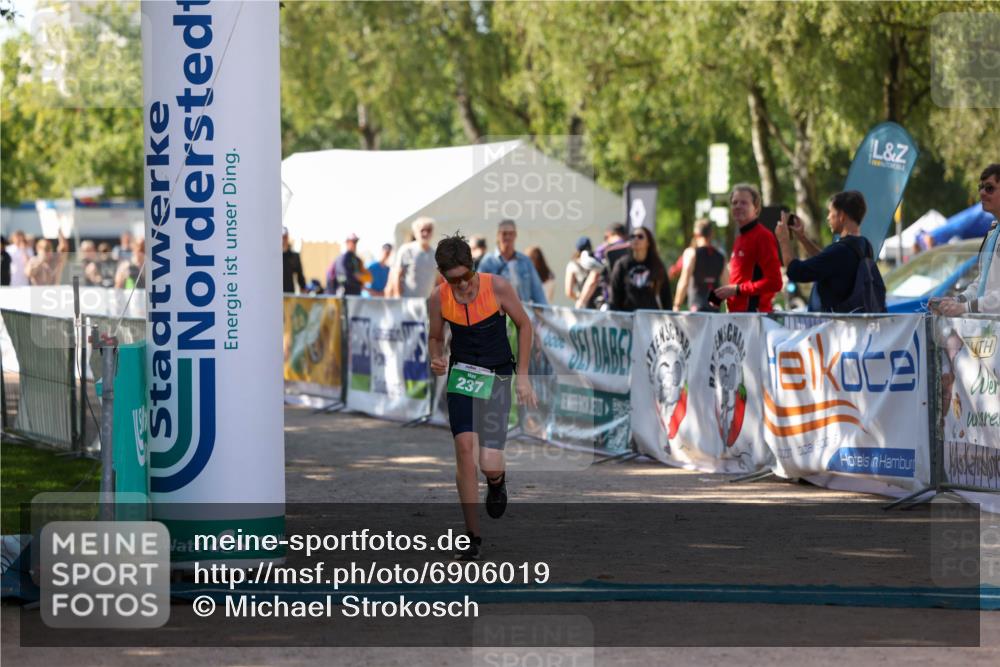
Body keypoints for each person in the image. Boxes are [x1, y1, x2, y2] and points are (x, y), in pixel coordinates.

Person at [427, 234, 537, 561]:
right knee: (464, 449)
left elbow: (524, 325)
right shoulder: (438, 298)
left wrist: (524, 376)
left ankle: (497, 480)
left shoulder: (497, 286)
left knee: (488, 463)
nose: (461, 285)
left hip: (498, 374)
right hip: (463, 375)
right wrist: (437, 357)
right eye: (452, 279)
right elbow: (435, 337)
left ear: (473, 267)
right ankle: (471, 538)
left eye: (465, 277)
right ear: (442, 274)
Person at [775, 191, 883, 312]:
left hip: (834, 326)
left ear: (841, 215)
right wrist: (802, 237)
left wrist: (783, 240)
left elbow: (795, 271)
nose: (828, 217)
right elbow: (826, 262)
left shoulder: (839, 251)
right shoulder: (864, 245)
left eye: (830, 212)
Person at [931, 163, 1000, 316]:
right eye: (980, 187)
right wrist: (957, 301)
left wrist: (965, 307)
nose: (982, 193)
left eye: (989, 188)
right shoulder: (994, 231)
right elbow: (983, 282)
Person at [713, 183, 783, 313]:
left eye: (744, 203)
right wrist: (721, 295)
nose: (738, 206)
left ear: (756, 208)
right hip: (737, 318)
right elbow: (740, 280)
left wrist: (736, 290)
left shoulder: (763, 236)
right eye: (734, 203)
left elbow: (775, 282)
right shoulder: (740, 237)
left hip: (754, 317)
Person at [478, 220, 548, 305]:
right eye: (504, 233)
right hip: (497, 313)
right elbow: (479, 291)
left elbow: (538, 293)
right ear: (498, 235)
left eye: (510, 233)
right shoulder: (488, 262)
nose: (507, 237)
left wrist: (545, 314)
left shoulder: (525, 261)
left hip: (523, 312)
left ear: (515, 235)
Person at [608, 226, 672, 312]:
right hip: (627, 319)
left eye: (640, 236)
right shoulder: (621, 265)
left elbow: (666, 295)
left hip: (651, 319)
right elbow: (614, 296)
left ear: (648, 242)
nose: (636, 239)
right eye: (632, 237)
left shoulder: (656, 265)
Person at [674, 219, 726, 312]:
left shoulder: (691, 253)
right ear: (711, 234)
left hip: (696, 306)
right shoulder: (720, 256)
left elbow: (684, 281)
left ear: (696, 234)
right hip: (714, 307)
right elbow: (727, 284)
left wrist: (677, 305)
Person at [575, 223, 630, 309]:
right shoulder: (635, 248)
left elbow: (593, 278)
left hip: (611, 301)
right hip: (634, 302)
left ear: (609, 234)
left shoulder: (604, 250)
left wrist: (581, 301)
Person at [389, 217, 437, 298]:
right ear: (415, 232)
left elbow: (437, 280)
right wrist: (398, 297)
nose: (425, 233)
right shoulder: (406, 250)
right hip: (408, 301)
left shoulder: (435, 254)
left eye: (428, 230)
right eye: (422, 230)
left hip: (427, 302)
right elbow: (396, 274)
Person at [564, 237, 602, 306]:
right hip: (599, 302)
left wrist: (580, 299)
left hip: (584, 303)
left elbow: (569, 292)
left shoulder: (572, 265)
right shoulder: (598, 262)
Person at [282, 227, 307, 294]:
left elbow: (300, 276)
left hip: (289, 294)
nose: (283, 240)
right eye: (282, 237)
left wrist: (303, 288)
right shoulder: (274, 258)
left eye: (284, 237)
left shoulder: (294, 256)